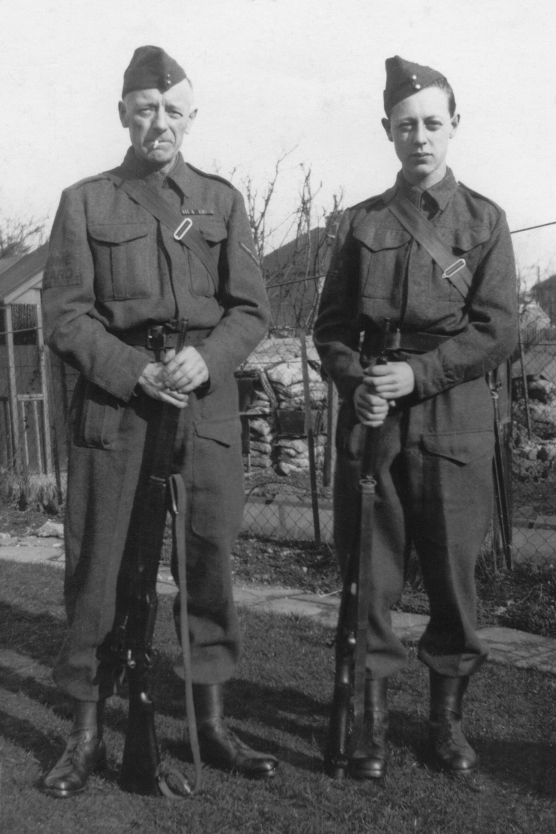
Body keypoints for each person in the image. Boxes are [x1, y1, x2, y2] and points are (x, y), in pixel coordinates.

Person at [41, 45, 278, 797]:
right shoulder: (86, 201)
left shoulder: (222, 200)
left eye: (174, 109)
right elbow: (66, 315)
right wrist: (131, 367)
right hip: (118, 413)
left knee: (207, 567)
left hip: (203, 410)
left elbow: (251, 311)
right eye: (146, 109)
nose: (160, 123)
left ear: (191, 117)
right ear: (123, 114)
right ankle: (83, 738)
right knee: (98, 571)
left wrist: (208, 358)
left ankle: (209, 724)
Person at [314, 56, 517, 779]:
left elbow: (497, 330)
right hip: (375, 419)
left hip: (455, 419)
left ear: (454, 126)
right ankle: (366, 720)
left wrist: (419, 373)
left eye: (433, 123)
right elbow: (332, 327)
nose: (421, 137)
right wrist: (356, 380)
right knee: (370, 575)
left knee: (455, 579)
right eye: (407, 126)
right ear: (388, 133)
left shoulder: (486, 222)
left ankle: (446, 721)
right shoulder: (361, 221)